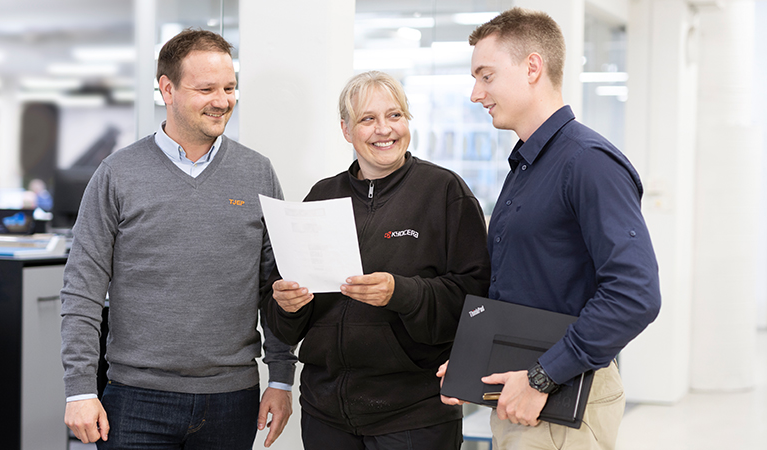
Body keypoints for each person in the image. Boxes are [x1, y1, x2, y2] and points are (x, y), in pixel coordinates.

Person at [60, 28, 296, 449]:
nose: (222, 100)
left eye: (229, 87)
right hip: (136, 401)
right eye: (206, 88)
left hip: (231, 398)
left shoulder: (258, 173)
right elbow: (82, 290)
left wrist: (280, 378)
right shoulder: (117, 174)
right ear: (166, 89)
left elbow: (275, 287)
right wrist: (80, 389)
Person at [437, 7, 661, 450]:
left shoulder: (588, 162)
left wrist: (542, 377)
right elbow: (527, 287)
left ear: (532, 67)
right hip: (523, 396)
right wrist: (472, 359)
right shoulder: (528, 165)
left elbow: (636, 294)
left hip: (563, 401)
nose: (475, 93)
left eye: (486, 76)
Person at [263, 71, 491, 449]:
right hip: (326, 415)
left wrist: (401, 293)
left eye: (395, 115)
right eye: (368, 119)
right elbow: (285, 320)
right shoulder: (322, 196)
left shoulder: (444, 192)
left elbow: (476, 298)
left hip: (414, 416)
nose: (384, 129)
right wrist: (286, 306)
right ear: (346, 130)